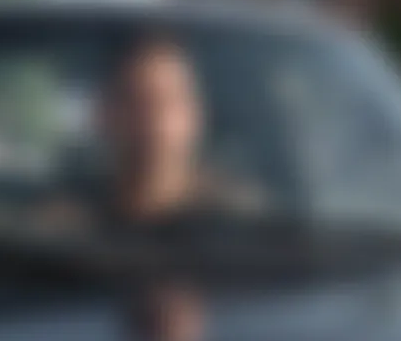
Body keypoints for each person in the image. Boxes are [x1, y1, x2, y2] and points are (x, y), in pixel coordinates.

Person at [38, 32, 266, 233]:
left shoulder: (242, 224)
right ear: (105, 115)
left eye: (168, 101)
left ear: (196, 115)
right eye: (136, 102)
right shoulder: (68, 228)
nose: (155, 123)